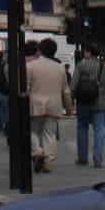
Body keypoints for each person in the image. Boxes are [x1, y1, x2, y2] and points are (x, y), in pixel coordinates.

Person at [27, 38, 72, 172]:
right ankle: (47, 161)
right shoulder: (60, 68)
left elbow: (27, 87)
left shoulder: (31, 66)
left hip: (35, 104)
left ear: (39, 50)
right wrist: (68, 107)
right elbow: (66, 90)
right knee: (50, 134)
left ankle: (37, 151)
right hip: (54, 104)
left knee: (32, 131)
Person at [71, 46, 105, 168]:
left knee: (82, 127)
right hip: (99, 101)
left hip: (83, 101)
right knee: (99, 129)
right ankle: (98, 158)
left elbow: (73, 84)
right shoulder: (104, 66)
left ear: (88, 52)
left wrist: (72, 98)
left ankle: (82, 157)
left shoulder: (81, 64)